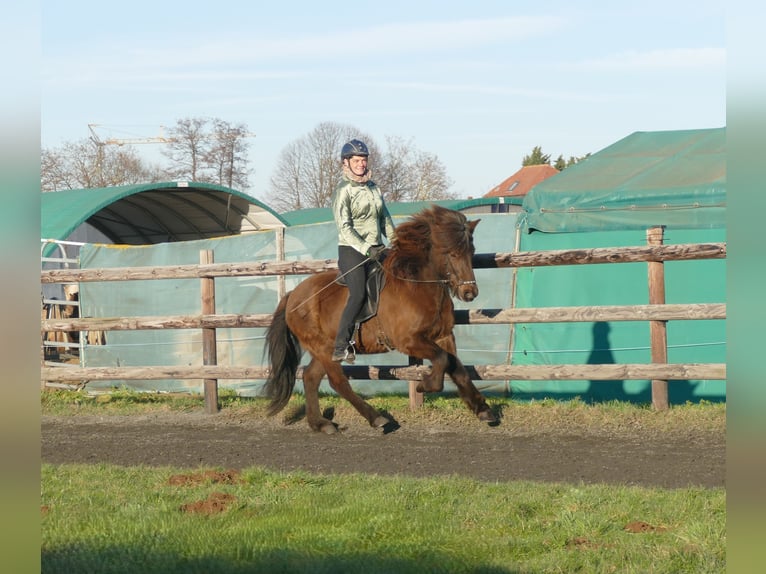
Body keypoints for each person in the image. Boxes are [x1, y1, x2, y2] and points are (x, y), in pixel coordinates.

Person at [331, 139, 396, 363]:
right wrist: (366, 248)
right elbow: (344, 227)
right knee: (358, 293)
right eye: (357, 160)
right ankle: (341, 344)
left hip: (376, 248)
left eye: (364, 160)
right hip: (352, 250)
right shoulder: (343, 191)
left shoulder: (373, 187)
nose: (361, 164)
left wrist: (397, 241)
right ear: (346, 163)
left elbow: (384, 217)